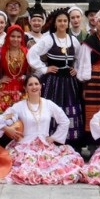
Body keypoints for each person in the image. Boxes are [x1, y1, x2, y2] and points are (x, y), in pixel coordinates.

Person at [0, 75, 85, 184]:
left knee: (61, 166)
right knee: (23, 168)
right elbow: (1, 118)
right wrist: (7, 129)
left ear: (41, 86)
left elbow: (64, 121)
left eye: (36, 84)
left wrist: (54, 137)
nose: (34, 87)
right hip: (25, 145)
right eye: (30, 84)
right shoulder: (19, 106)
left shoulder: (48, 104)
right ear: (25, 88)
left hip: (45, 145)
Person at [28, 9, 84, 145]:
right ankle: (52, 140)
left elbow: (80, 58)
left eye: (65, 21)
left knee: (71, 107)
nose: (63, 23)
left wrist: (76, 69)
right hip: (54, 81)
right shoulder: (48, 39)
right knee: (53, 108)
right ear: (55, 23)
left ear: (68, 23)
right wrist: (44, 68)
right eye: (60, 21)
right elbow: (32, 54)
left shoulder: (73, 40)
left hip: (70, 83)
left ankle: (71, 142)